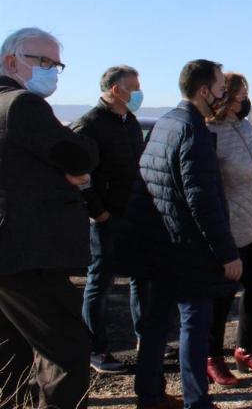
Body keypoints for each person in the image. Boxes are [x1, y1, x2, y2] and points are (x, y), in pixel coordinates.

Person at [0, 28, 99, 409]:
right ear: (12, 61)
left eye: (56, 64)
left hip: (11, 253)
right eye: (43, 62)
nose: (52, 71)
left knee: (12, 349)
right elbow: (78, 156)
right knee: (68, 351)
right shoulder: (22, 104)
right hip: (29, 253)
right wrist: (78, 162)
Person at [135, 59, 242, 409]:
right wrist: (227, 253)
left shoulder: (166, 122)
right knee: (194, 326)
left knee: (155, 324)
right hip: (188, 249)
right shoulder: (193, 131)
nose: (223, 95)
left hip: (160, 244)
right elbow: (202, 201)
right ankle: (196, 402)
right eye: (221, 88)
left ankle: (148, 395)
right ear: (203, 91)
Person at [70, 65, 145, 375]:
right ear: (117, 89)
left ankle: (147, 338)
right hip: (106, 219)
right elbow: (76, 176)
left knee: (143, 276)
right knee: (100, 282)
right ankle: (96, 350)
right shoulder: (89, 125)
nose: (139, 93)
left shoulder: (130, 121)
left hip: (135, 214)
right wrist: (97, 212)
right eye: (135, 87)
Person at [205, 73, 252, 387]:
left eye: (246, 96)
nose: (244, 102)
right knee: (220, 297)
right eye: (238, 96)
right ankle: (212, 358)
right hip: (230, 229)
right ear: (223, 98)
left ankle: (246, 350)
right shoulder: (209, 133)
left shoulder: (245, 126)